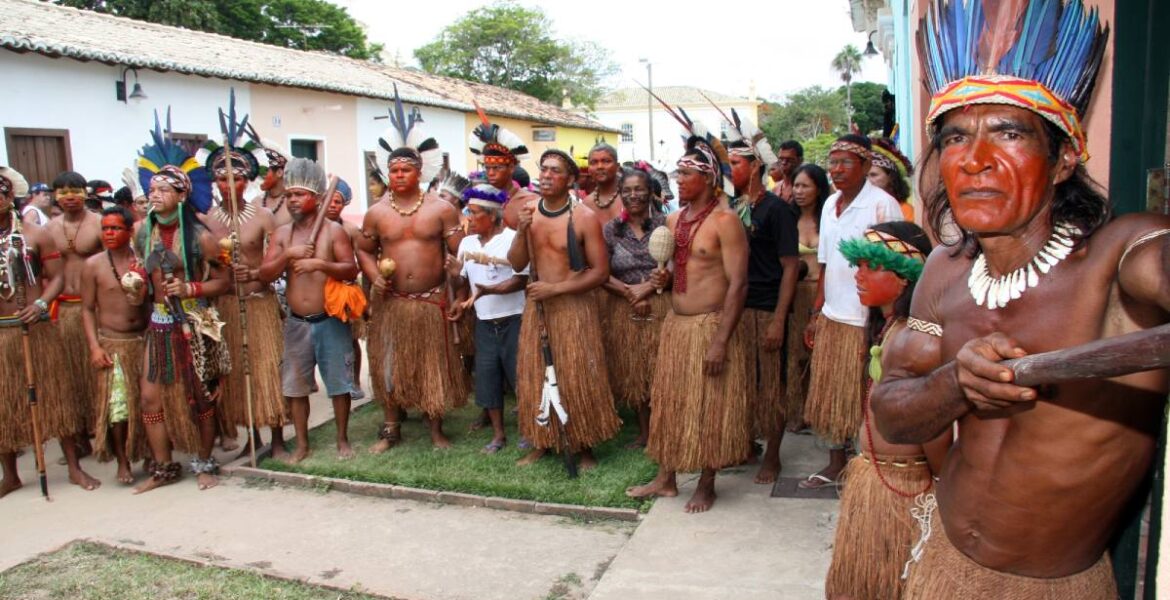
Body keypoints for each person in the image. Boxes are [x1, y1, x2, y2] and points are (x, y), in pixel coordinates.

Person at [874, 1, 1168, 597]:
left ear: (1062, 160)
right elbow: (892, 411)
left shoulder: (1122, 257)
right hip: (945, 565)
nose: (976, 160)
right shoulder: (944, 270)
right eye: (956, 137)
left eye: (1008, 132)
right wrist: (955, 383)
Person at [625, 129, 751, 513]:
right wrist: (660, 282)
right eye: (676, 174)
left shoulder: (726, 222)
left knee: (708, 406)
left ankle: (708, 482)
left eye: (685, 174)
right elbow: (672, 273)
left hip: (708, 326)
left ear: (709, 178)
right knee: (671, 403)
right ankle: (666, 478)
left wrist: (720, 341)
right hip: (677, 326)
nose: (677, 180)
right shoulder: (675, 219)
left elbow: (739, 284)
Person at [823, 221, 949, 600]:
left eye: (870, 266)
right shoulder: (891, 328)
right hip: (878, 480)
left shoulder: (918, 339)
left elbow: (933, 424)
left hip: (906, 489)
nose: (857, 274)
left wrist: (942, 490)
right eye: (856, 263)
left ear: (907, 275)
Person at [358, 95, 467, 451]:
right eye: (393, 171)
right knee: (389, 366)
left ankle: (435, 427)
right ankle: (391, 429)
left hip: (430, 301)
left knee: (431, 365)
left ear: (420, 172)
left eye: (405, 170)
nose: (399, 176)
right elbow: (364, 249)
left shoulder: (440, 210)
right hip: (393, 303)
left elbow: (458, 251)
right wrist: (373, 273)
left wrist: (457, 274)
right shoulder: (376, 213)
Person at [507, 149, 620, 469]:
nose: (545, 175)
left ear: (570, 179)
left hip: (573, 308)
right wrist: (521, 230)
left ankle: (583, 443)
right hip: (540, 311)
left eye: (554, 170)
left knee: (576, 375)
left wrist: (555, 288)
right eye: (543, 169)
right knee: (535, 376)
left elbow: (599, 272)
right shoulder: (529, 212)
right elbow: (517, 264)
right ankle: (542, 440)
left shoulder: (583, 217)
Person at [800, 134, 902, 489]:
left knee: (864, 398)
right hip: (833, 315)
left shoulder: (883, 206)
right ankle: (835, 465)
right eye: (833, 163)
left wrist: (880, 325)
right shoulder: (829, 206)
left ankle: (865, 468)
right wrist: (816, 314)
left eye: (845, 162)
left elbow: (894, 270)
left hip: (866, 320)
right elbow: (825, 263)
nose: (836, 170)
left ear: (865, 166)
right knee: (831, 397)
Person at [132, 152, 231, 494]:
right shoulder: (143, 233)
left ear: (182, 195)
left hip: (193, 320)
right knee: (149, 399)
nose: (154, 193)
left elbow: (224, 281)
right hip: (159, 322)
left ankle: (204, 463)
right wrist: (134, 284)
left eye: (163, 188)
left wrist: (191, 287)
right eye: (152, 188)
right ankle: (164, 467)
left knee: (201, 397)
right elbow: (141, 271)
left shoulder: (201, 237)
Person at [0, 165, 96, 498]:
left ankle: (73, 467)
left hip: (35, 328)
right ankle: (10, 475)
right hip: (2, 332)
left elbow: (54, 276)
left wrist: (40, 305)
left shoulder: (34, 235)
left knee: (55, 399)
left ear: (10, 195)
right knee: (4, 405)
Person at [196, 108, 285, 459]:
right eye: (221, 179)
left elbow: (278, 261)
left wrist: (258, 273)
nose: (228, 185)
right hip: (226, 306)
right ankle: (252, 436)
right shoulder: (206, 221)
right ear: (214, 182)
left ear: (246, 180)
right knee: (236, 373)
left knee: (265, 369)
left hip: (259, 302)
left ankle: (276, 435)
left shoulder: (264, 217)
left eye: (234, 179)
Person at [259, 159, 360, 463]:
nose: (292, 200)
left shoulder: (333, 232)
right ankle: (302, 444)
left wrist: (320, 264)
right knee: (295, 387)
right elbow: (264, 274)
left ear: (316, 198)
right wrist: (288, 255)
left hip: (330, 320)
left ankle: (342, 438)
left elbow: (350, 269)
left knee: (339, 384)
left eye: (299, 195)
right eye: (289, 195)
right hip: (296, 322)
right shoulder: (282, 235)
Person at [722, 110, 800, 484]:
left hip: (769, 306)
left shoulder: (779, 211)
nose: (729, 169)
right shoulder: (733, 209)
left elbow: (790, 267)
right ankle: (747, 443)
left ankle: (773, 454)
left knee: (772, 385)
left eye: (734, 163)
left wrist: (780, 319)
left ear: (754, 168)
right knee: (744, 382)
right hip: (739, 308)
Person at [446, 182, 528, 453]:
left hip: (514, 318)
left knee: (521, 377)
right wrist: (457, 276)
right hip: (484, 321)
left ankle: (528, 430)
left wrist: (487, 290)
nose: (468, 218)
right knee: (488, 377)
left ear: (492, 215)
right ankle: (498, 435)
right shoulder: (467, 242)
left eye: (474, 213)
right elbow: (462, 280)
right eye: (467, 212)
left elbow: (521, 280)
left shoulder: (513, 239)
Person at [600, 166, 669, 449]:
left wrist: (649, 289)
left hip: (662, 306)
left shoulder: (665, 224)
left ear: (651, 191)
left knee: (662, 369)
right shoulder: (611, 229)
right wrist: (632, 293)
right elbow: (601, 272)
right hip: (624, 307)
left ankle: (665, 425)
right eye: (626, 191)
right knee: (636, 371)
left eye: (639, 189)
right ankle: (644, 432)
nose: (633, 196)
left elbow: (677, 268)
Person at [80, 205, 148, 485]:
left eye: (115, 228)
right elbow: (87, 309)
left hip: (144, 340)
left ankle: (153, 454)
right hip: (113, 343)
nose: (108, 233)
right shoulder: (93, 265)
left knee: (150, 403)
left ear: (130, 231)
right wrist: (95, 347)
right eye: (105, 228)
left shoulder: (143, 260)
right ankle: (123, 461)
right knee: (118, 408)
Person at [45, 170, 103, 461]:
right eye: (63, 191)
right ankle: (80, 438)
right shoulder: (49, 229)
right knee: (70, 377)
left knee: (97, 375)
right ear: (55, 195)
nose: (69, 197)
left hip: (96, 309)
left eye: (75, 190)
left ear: (85, 193)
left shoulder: (100, 224)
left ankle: (103, 431)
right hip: (62, 309)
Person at [785, 164, 829, 432]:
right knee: (799, 355)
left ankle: (822, 409)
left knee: (822, 356)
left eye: (805, 186)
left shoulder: (830, 216)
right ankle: (801, 410)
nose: (799, 191)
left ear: (818, 188)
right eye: (796, 186)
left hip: (824, 293)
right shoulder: (788, 219)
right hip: (796, 293)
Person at [325, 178, 368, 400]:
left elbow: (361, 260)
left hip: (346, 291)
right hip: (321, 293)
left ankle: (354, 381)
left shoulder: (350, 230)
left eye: (338, 202)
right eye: (330, 201)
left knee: (350, 339)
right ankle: (335, 382)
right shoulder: (315, 230)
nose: (333, 206)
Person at [469, 114, 537, 230]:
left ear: (511, 168)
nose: (490, 173)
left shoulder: (530, 201)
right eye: (487, 167)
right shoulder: (481, 199)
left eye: (497, 168)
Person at [868, 137, 915, 222]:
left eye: (873, 175)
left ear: (891, 177)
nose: (868, 181)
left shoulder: (905, 210)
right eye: (865, 176)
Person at [581, 143, 623, 223]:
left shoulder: (631, 196)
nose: (600, 166)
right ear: (589, 170)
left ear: (617, 167)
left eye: (606, 161)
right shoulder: (586, 203)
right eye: (594, 162)